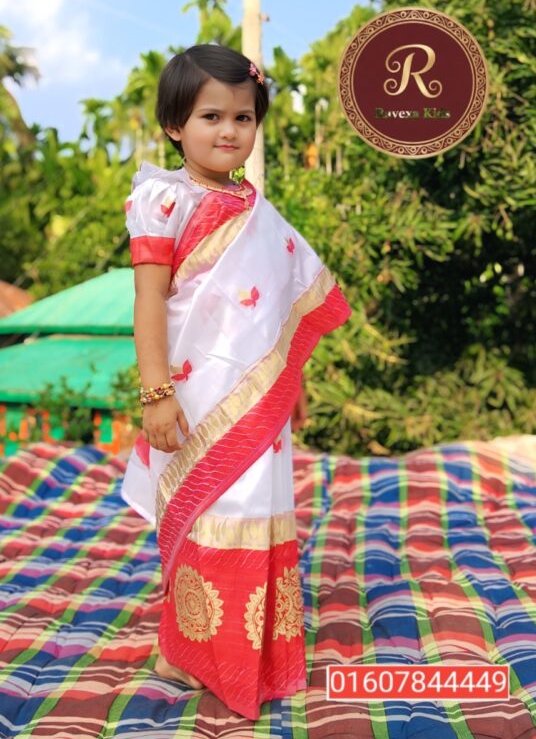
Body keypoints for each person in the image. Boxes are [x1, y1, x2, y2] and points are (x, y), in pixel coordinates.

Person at [120, 44, 352, 720]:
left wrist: (289, 384)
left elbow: (277, 310)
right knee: (207, 514)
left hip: (259, 404)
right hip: (193, 396)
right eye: (211, 116)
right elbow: (148, 301)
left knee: (255, 511)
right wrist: (156, 393)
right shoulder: (162, 199)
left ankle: (248, 656)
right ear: (174, 125)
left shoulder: (256, 211)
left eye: (243, 118)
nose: (229, 131)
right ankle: (183, 649)